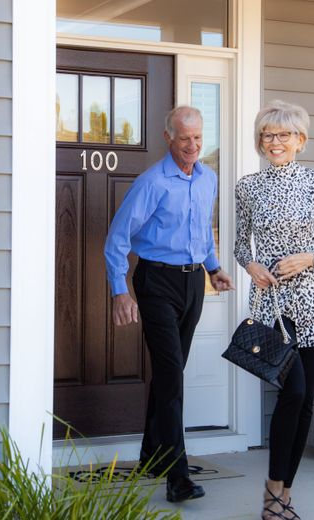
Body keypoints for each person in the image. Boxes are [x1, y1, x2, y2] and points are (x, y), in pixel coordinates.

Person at [104, 105, 235, 503]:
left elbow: (203, 232)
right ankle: (177, 478)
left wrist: (213, 269)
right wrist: (119, 290)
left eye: (198, 138)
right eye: (184, 139)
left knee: (170, 371)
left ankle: (150, 456)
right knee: (171, 376)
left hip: (193, 282)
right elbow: (117, 238)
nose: (193, 146)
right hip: (156, 281)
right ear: (168, 138)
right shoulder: (152, 183)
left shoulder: (208, 178)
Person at [234, 100, 314, 519]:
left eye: (283, 135)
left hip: (311, 302)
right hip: (269, 304)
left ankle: (282, 494)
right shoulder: (248, 186)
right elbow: (241, 243)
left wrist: (308, 258)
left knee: (306, 401)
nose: (274, 142)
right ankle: (271, 492)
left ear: (300, 140)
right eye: (267, 135)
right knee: (292, 391)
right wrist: (251, 265)